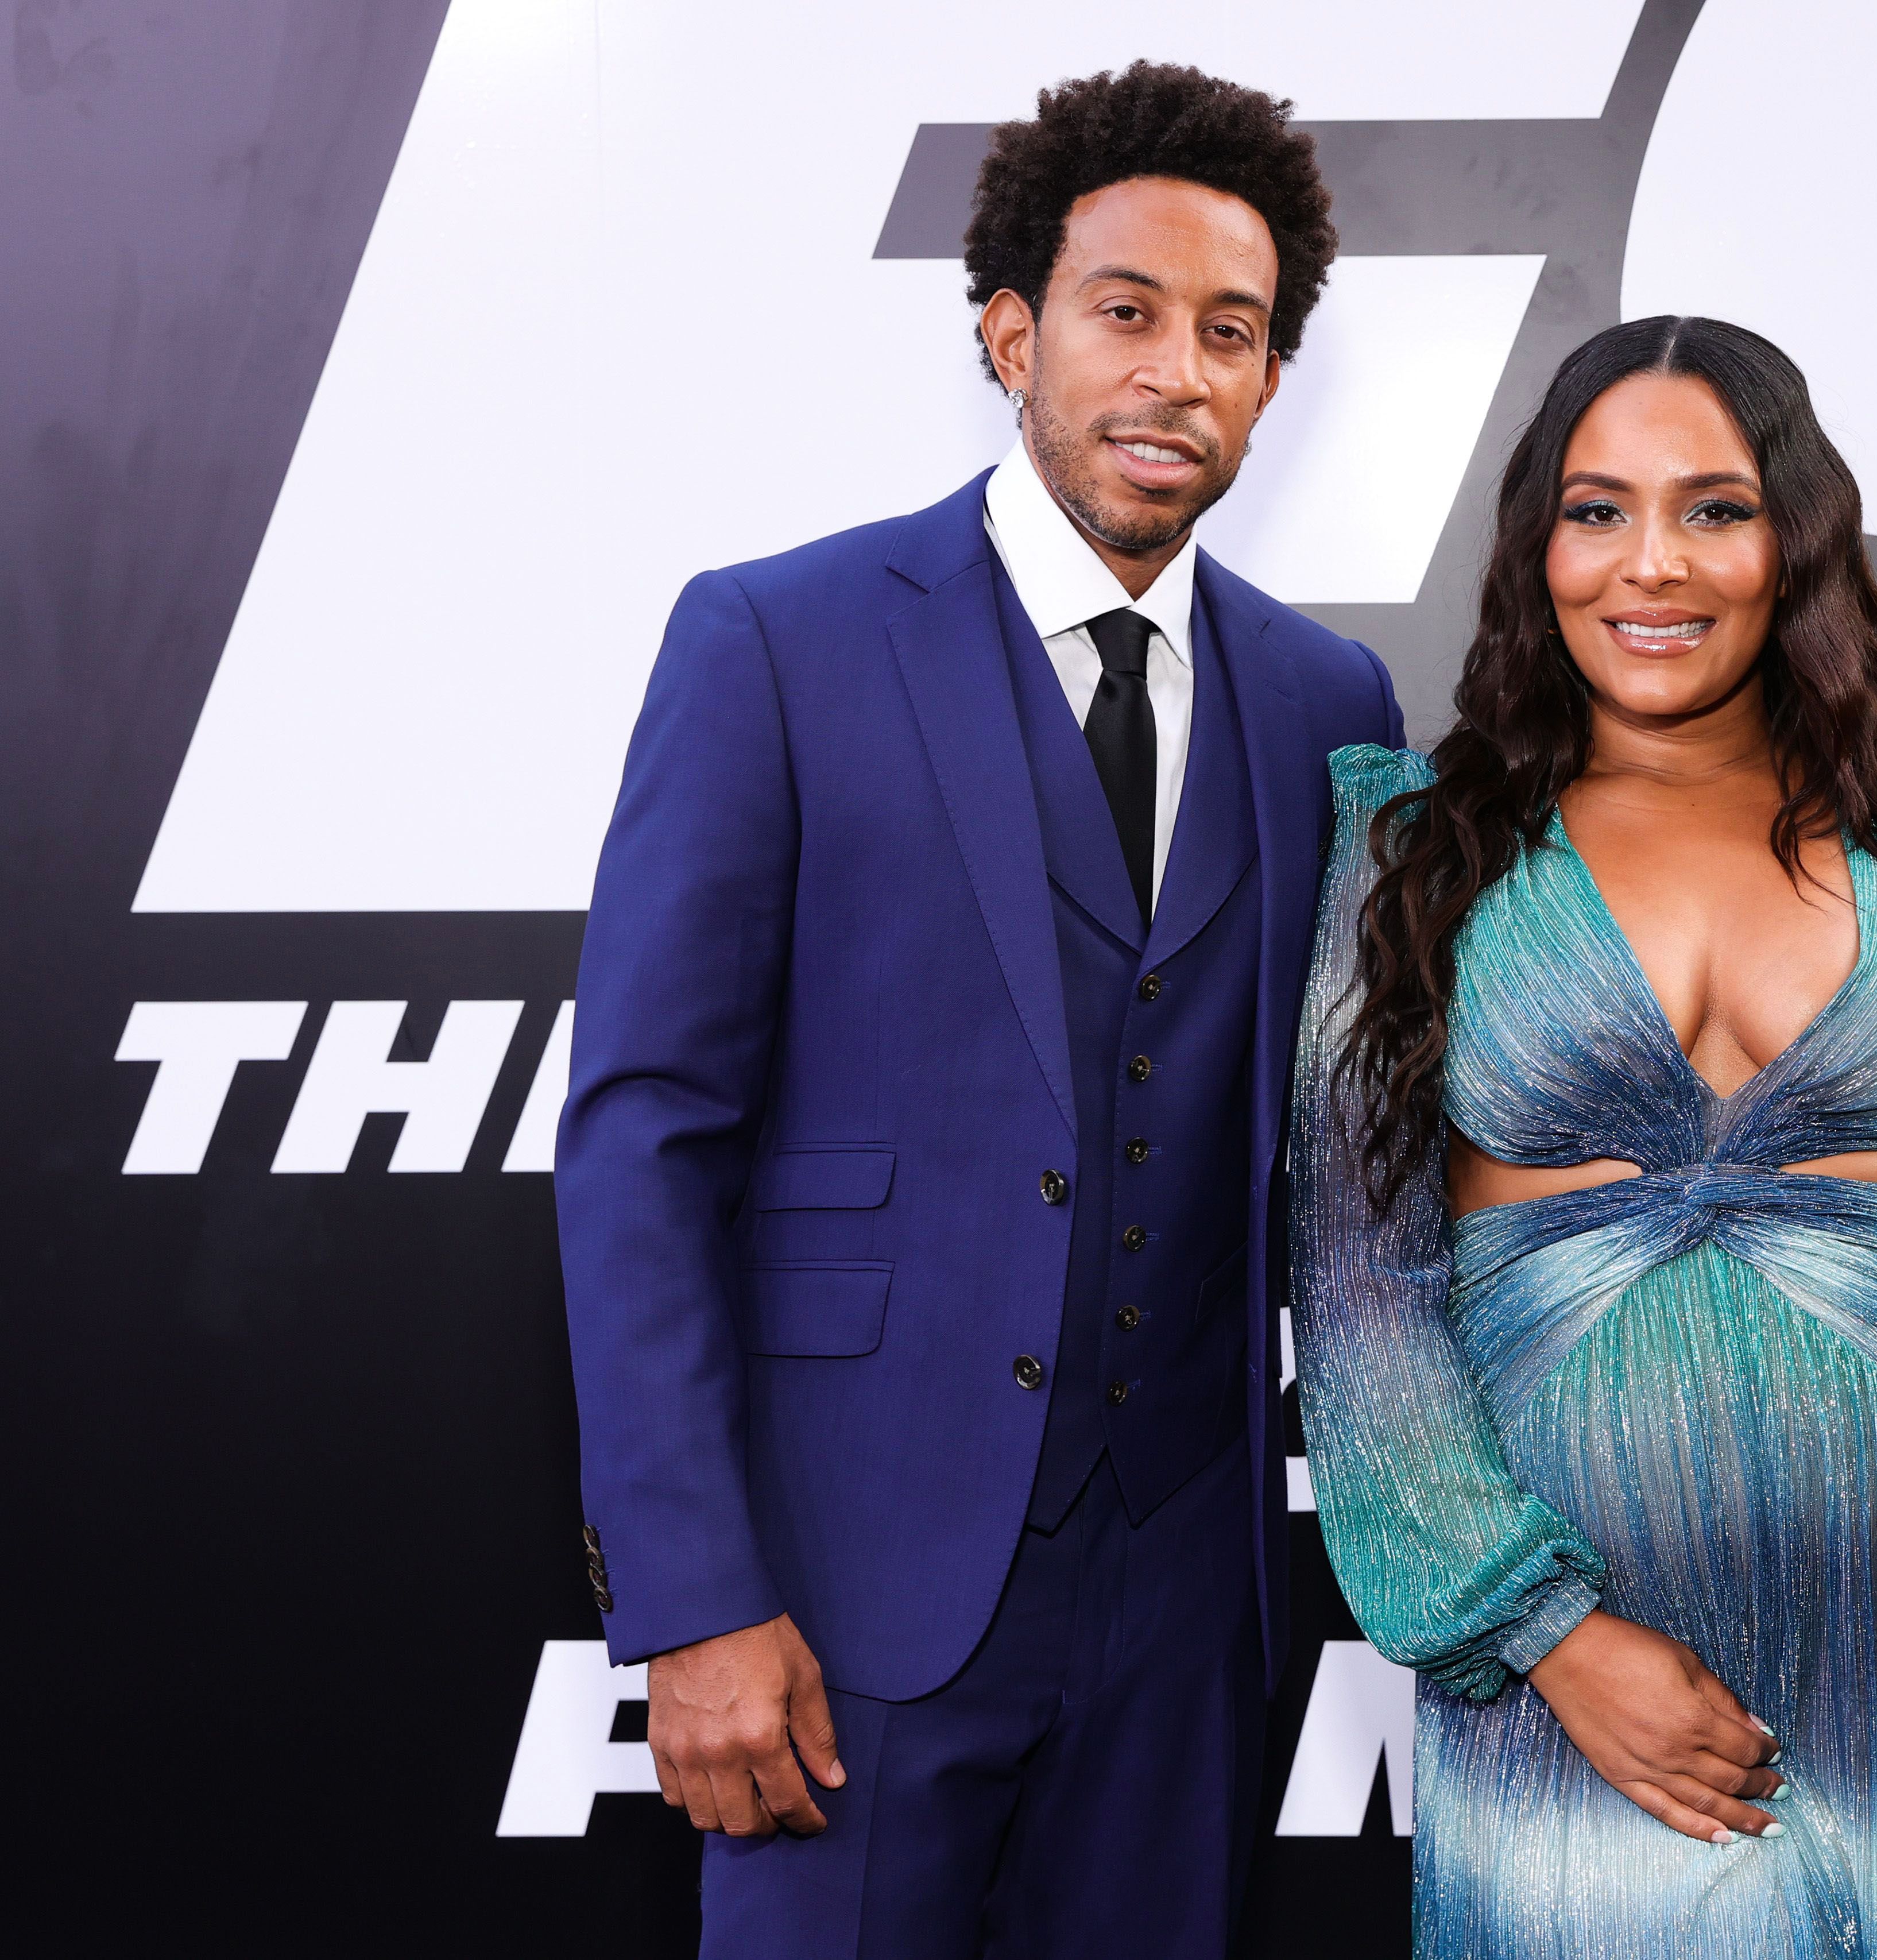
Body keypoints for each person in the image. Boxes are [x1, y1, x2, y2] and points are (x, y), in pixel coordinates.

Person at [556, 63, 1402, 1958]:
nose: (1176, 372)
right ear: (1012, 334)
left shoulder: (1327, 703)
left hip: (1188, 1616)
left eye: (1232, 332)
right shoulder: (773, 640)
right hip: (844, 1610)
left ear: (1273, 383)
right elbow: (643, 1140)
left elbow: (1364, 1171)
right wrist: (694, 1601)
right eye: (1125, 312)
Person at [1291, 315, 1877, 1957]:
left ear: (1792, 540)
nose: (1650, 564)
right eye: (1597, 512)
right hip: (1596, 1660)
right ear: (1535, 546)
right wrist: (1550, 1637)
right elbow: (1365, 1294)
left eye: (1713, 509)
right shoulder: (1414, 850)